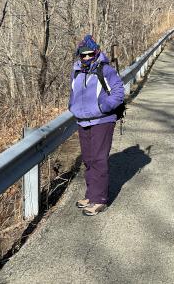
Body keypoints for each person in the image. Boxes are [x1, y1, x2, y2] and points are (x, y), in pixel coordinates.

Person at [69, 34, 124, 216]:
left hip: (102, 120)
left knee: (99, 159)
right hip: (83, 120)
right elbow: (73, 92)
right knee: (88, 159)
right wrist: (73, 107)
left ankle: (99, 199)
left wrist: (103, 107)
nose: (86, 58)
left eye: (89, 54)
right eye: (83, 55)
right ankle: (90, 194)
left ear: (96, 52)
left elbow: (118, 92)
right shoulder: (77, 70)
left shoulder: (105, 69)